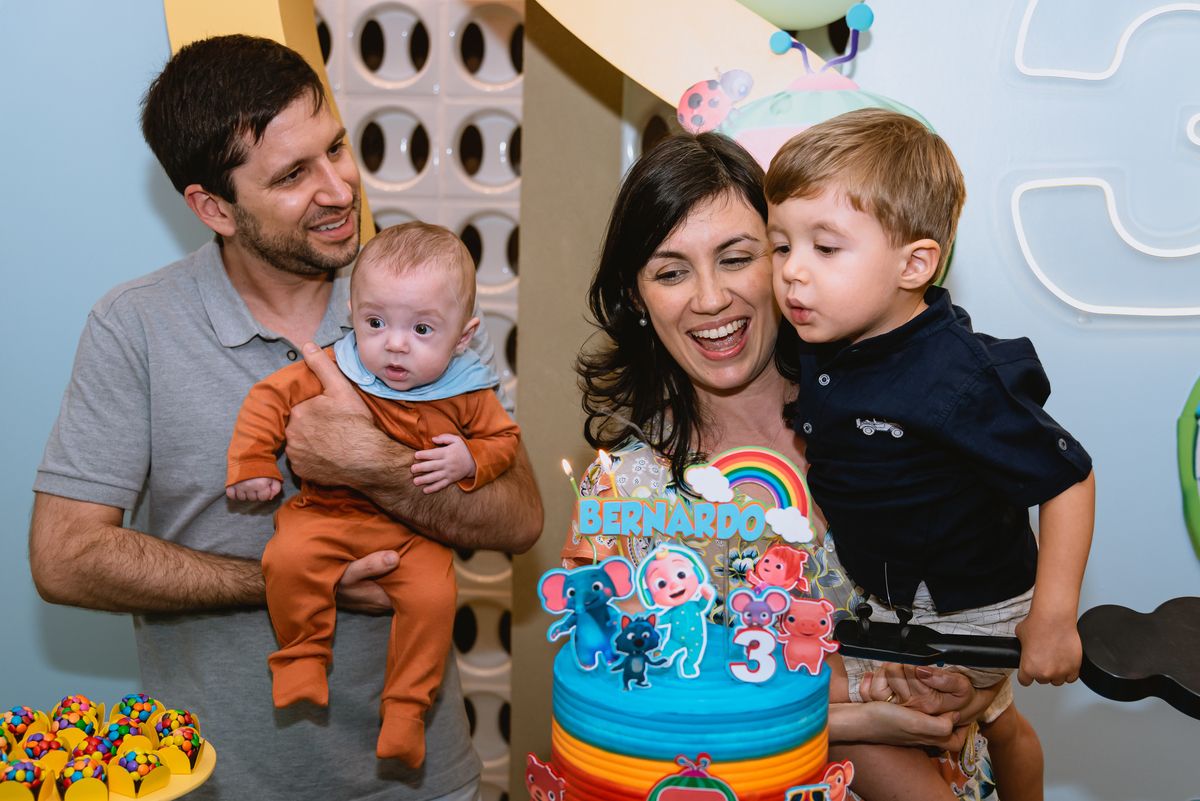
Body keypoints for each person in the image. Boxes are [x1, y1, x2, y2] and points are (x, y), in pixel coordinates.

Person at [29, 35, 541, 801]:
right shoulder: (133, 325)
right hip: (217, 786)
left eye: (336, 146)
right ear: (213, 207)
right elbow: (64, 555)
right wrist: (289, 581)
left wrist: (377, 465)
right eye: (294, 174)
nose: (340, 188)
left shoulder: (409, 296)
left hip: (426, 783)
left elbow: (521, 516)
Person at [563, 131, 1001, 800]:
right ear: (637, 296)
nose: (710, 298)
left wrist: (978, 680)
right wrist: (854, 721)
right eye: (671, 270)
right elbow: (641, 699)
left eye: (737, 257)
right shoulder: (626, 489)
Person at [767, 107, 1095, 801]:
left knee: (902, 727)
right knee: (999, 723)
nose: (792, 273)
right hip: (889, 596)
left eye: (825, 249)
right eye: (779, 246)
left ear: (915, 263)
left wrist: (1055, 615)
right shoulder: (823, 341)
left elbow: (1069, 477)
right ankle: (1006, 730)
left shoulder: (956, 378)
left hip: (969, 606)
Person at [226, 222, 520, 766]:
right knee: (288, 558)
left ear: (463, 336)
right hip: (325, 515)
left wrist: (471, 458)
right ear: (353, 313)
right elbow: (268, 398)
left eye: (423, 329)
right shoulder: (338, 366)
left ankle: (407, 711)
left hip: (413, 534)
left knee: (434, 601)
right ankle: (301, 659)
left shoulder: (467, 389)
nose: (395, 343)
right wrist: (251, 461)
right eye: (376, 321)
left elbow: (503, 439)